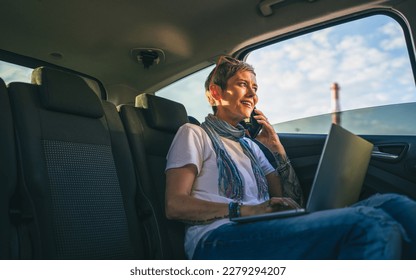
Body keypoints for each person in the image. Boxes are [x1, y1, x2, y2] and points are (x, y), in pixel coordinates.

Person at [165, 56, 416, 259]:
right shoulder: (194, 134)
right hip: (216, 239)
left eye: (255, 88)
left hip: (262, 226)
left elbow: (289, 200)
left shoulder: (250, 147)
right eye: (243, 84)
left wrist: (277, 149)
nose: (253, 95)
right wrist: (246, 210)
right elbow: (175, 206)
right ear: (216, 93)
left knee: (392, 204)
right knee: (368, 225)